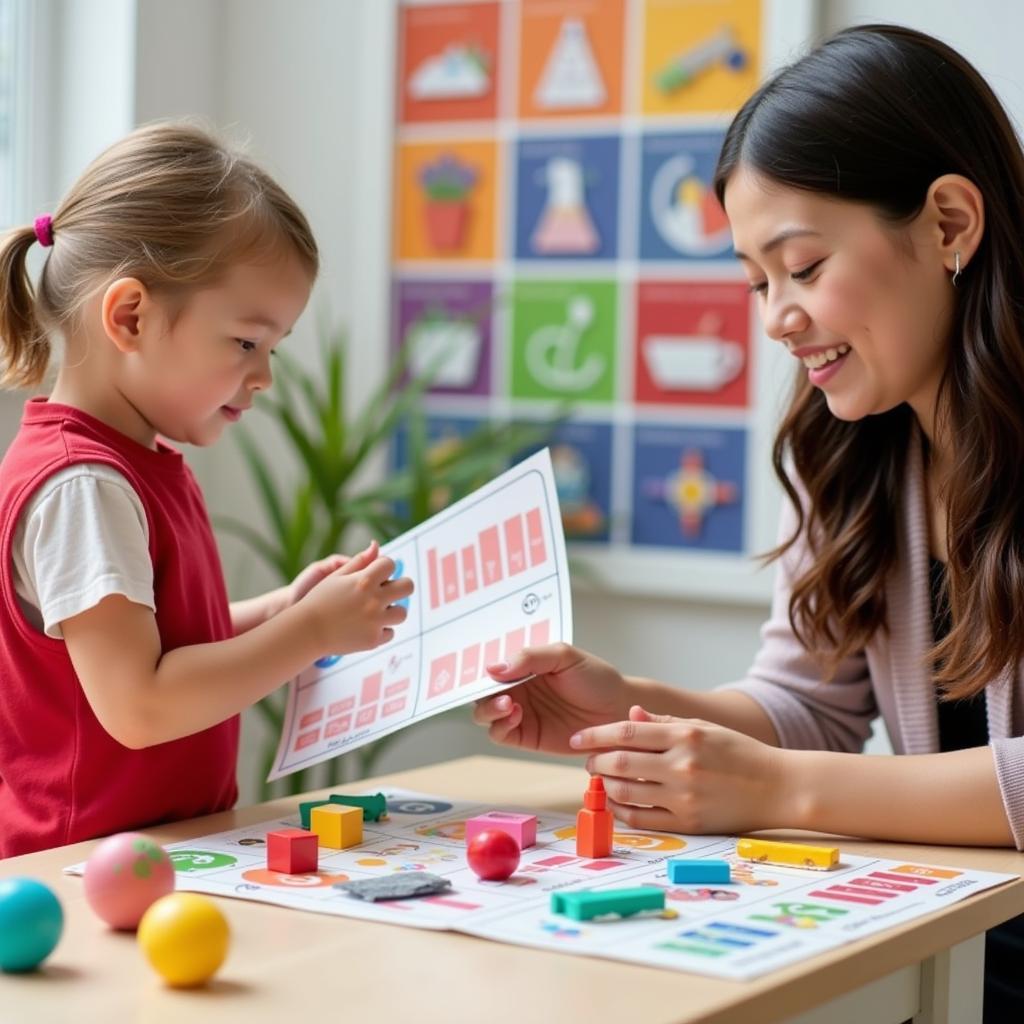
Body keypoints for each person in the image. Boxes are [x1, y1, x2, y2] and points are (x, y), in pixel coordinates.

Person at [474, 24, 1024, 1018]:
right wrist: (629, 707)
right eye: (757, 280)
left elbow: (796, 766)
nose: (775, 315)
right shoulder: (849, 446)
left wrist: (783, 791)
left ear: (948, 224)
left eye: (803, 265)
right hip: (961, 945)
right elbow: (808, 702)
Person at [0, 122, 413, 858]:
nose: (264, 378)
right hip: (76, 871)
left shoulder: (134, 464)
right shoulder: (82, 485)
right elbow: (139, 702)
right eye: (247, 343)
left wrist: (281, 610)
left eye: (273, 349)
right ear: (131, 316)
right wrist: (309, 632)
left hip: (151, 857)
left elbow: (158, 642)